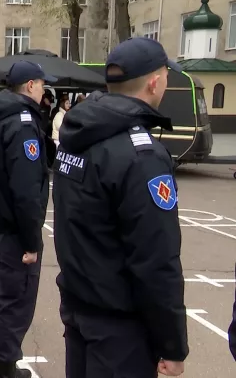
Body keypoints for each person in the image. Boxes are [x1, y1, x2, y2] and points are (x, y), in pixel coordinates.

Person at [52, 37, 188, 377]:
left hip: (80, 306)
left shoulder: (80, 133)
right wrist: (172, 343)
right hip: (120, 329)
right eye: (166, 76)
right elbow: (156, 259)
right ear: (154, 82)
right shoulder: (142, 155)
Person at [0, 60, 53, 378]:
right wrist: (31, 242)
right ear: (31, 85)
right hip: (14, 233)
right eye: (42, 85)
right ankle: (5, 370)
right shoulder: (22, 125)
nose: (44, 92)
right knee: (15, 303)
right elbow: (25, 190)